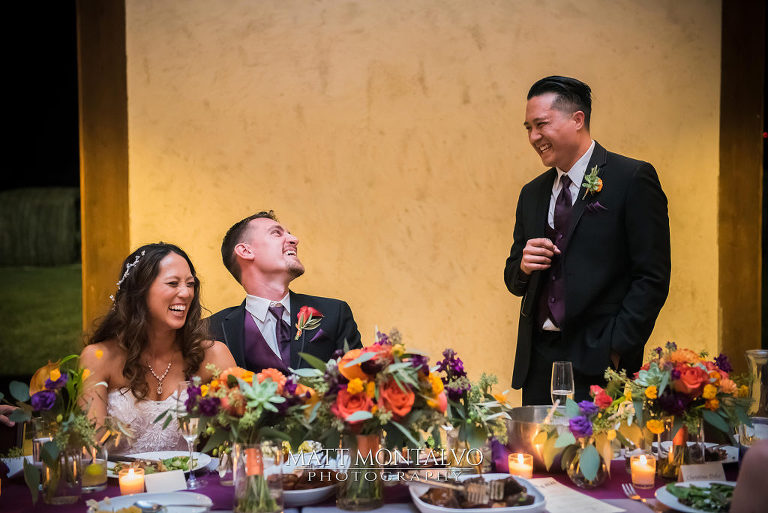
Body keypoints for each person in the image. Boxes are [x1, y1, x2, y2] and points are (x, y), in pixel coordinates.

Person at [504, 76, 670, 405]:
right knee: (539, 456)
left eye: (541, 125)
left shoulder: (631, 178)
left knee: (601, 457)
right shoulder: (532, 193)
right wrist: (523, 266)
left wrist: (617, 348)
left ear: (577, 120)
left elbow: (651, 276)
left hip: (601, 363)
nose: (534, 137)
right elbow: (513, 279)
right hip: (537, 362)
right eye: (528, 128)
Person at [80, 243, 236, 453]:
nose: (186, 293)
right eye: (173, 283)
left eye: (190, 284)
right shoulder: (99, 357)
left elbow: (241, 438)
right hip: (118, 483)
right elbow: (91, 449)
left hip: (188, 483)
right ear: (140, 292)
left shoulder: (214, 355)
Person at [208, 211, 362, 373]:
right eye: (276, 233)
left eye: (289, 234)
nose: (294, 239)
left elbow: (360, 383)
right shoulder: (210, 330)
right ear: (246, 251)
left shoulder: (334, 313)